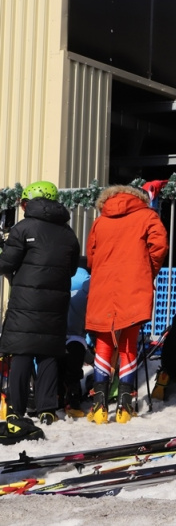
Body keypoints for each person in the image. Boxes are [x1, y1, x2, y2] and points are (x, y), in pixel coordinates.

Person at [85, 185, 169, 424]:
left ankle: (99, 406)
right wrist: (147, 270)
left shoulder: (100, 221)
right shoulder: (147, 216)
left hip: (104, 284)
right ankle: (125, 406)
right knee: (128, 342)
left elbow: (91, 256)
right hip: (134, 284)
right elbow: (160, 246)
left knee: (103, 341)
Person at [0, 181, 80, 427]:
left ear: (31, 202)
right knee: (48, 354)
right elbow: (73, 268)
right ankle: (48, 409)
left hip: (26, 301)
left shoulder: (23, 228)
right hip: (56, 302)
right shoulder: (68, 232)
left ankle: (16, 408)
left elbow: (6, 264)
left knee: (22, 353)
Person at [62, 262, 91, 417]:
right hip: (77, 341)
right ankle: (74, 402)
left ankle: (57, 397)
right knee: (74, 372)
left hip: (56, 338)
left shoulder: (60, 283)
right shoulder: (88, 289)